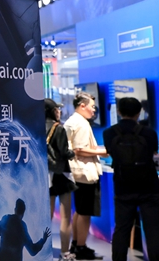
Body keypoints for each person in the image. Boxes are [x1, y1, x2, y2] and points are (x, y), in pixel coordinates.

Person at [102, 97, 159, 261]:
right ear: (139, 112)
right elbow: (153, 154)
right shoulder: (149, 133)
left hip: (123, 187)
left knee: (121, 230)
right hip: (149, 188)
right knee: (153, 230)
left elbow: (111, 152)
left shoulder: (109, 133)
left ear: (119, 111)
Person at [64, 92, 107, 260]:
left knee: (80, 210)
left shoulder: (73, 121)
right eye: (92, 107)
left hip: (78, 173)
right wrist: (103, 151)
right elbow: (80, 150)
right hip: (85, 173)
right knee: (85, 212)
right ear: (82, 106)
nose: (94, 110)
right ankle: (81, 247)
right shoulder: (81, 123)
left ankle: (77, 244)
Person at [46, 98, 76, 261]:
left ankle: (44, 251)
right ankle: (65, 252)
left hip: (46, 175)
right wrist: (73, 152)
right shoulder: (59, 128)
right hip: (61, 175)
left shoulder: (36, 126)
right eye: (56, 109)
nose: (59, 111)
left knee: (47, 216)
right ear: (52, 111)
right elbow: (64, 153)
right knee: (65, 217)